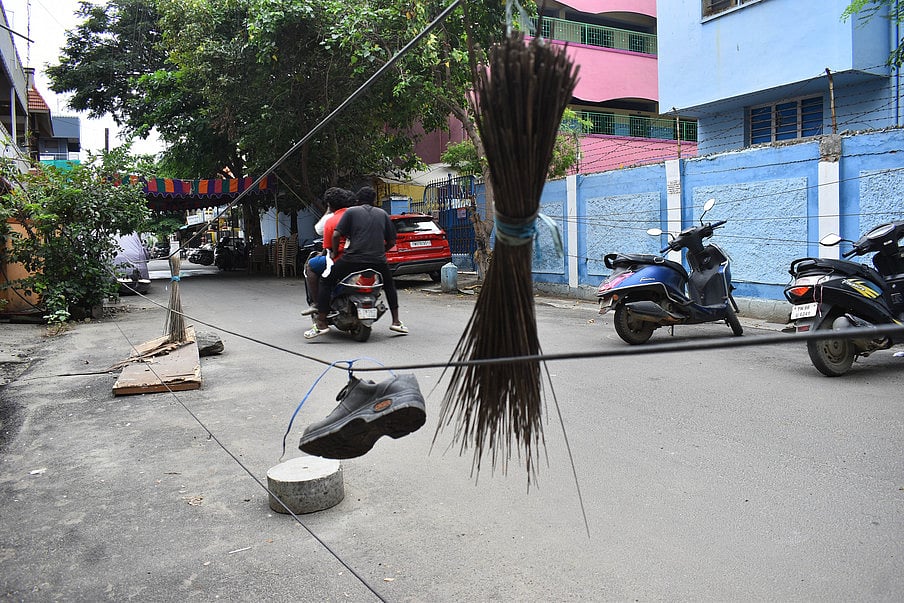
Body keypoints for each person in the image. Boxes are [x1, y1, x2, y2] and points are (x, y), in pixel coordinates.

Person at [305, 186, 408, 338]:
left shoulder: (352, 212)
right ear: (374, 200)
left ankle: (321, 323)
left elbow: (335, 235)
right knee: (389, 285)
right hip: (378, 261)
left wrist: (333, 252)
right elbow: (392, 240)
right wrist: (381, 251)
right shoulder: (383, 213)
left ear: (358, 200)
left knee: (326, 281)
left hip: (353, 259)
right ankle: (396, 321)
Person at [301, 187, 355, 316]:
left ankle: (319, 310)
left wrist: (333, 252)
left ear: (330, 204)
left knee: (313, 268)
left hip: (341, 260)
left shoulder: (331, 219)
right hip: (366, 258)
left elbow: (328, 245)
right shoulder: (361, 216)